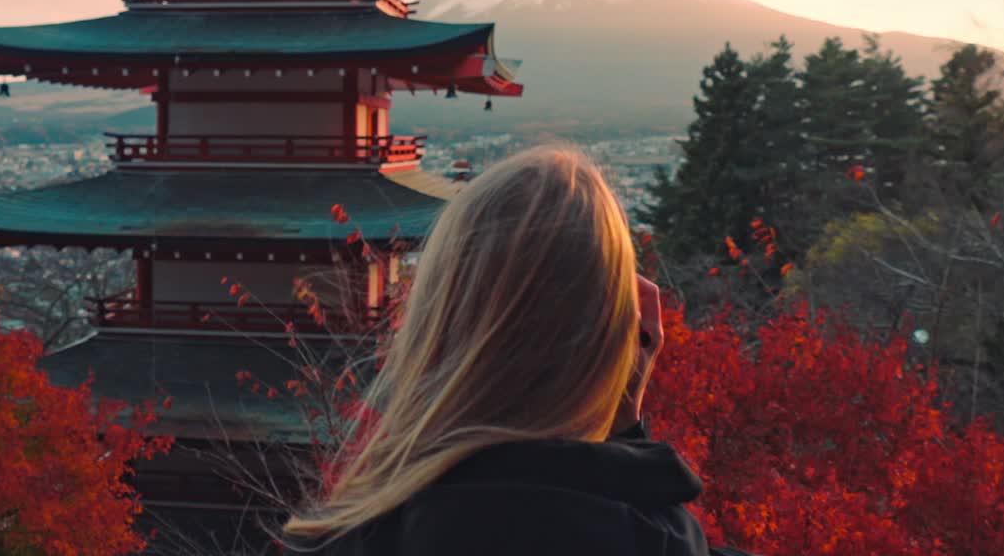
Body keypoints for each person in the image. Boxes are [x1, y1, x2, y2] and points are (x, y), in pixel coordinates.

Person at [282, 145, 757, 556]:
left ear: (435, 322)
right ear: (617, 341)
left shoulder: (348, 538)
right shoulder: (650, 537)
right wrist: (625, 420)